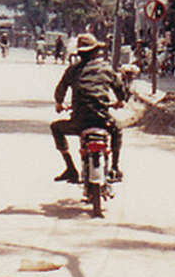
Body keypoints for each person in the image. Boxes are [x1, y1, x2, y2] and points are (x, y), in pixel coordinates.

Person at [51, 33, 128, 183]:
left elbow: (60, 90)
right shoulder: (106, 69)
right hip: (102, 120)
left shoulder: (72, 70)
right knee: (117, 129)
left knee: (56, 127)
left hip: (79, 122)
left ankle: (71, 169)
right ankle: (114, 167)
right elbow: (120, 89)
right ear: (95, 52)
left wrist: (59, 104)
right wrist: (120, 101)